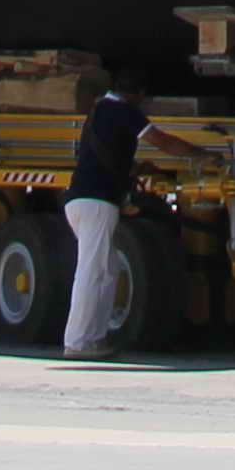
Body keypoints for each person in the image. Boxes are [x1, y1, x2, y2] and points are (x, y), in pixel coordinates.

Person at [57, 75, 161, 358]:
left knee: (109, 268)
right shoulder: (123, 110)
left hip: (81, 201)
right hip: (97, 203)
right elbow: (160, 139)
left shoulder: (98, 111)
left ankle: (95, 337)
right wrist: (197, 153)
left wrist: (136, 169)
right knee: (92, 270)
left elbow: (106, 157)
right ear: (137, 94)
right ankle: (77, 342)